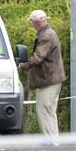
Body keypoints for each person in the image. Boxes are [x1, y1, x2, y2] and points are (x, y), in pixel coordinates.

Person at [18, 9, 65, 141]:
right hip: (53, 79)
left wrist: (22, 66)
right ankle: (54, 142)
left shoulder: (46, 36)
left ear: (36, 22)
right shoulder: (49, 33)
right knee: (50, 113)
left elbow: (38, 57)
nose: (32, 25)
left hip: (48, 81)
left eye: (32, 22)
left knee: (43, 112)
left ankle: (50, 142)